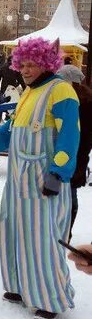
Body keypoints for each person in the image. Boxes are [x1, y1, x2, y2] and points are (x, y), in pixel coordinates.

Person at [0, 37, 80, 319]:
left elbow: (70, 136)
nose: (26, 69)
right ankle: (21, 286)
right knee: (14, 230)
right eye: (23, 64)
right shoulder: (29, 93)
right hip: (19, 180)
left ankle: (49, 298)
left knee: (42, 239)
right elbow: (11, 128)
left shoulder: (61, 91)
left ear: (46, 64)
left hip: (43, 181)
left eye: (33, 64)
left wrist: (58, 173)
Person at [57, 64, 92, 242]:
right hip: (77, 157)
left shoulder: (77, 104)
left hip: (71, 155)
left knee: (67, 196)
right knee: (69, 195)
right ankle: (64, 232)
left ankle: (63, 232)